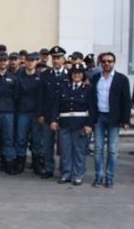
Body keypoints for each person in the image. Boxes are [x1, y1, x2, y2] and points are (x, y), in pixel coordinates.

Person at [89, 52, 131, 188]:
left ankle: (109, 177)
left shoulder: (122, 79)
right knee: (98, 148)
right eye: (104, 61)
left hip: (114, 117)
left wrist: (125, 120)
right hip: (99, 116)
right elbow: (91, 99)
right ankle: (98, 176)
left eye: (110, 61)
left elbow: (126, 101)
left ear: (114, 62)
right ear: (100, 63)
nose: (107, 63)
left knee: (112, 150)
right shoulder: (95, 78)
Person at [49, 64, 92, 186]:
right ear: (70, 74)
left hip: (80, 123)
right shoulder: (63, 88)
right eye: (74, 73)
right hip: (65, 123)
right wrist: (53, 120)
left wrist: (89, 124)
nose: (77, 75)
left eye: (79, 73)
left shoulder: (88, 89)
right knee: (65, 150)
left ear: (83, 75)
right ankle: (66, 174)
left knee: (79, 150)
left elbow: (92, 108)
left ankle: (78, 175)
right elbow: (56, 105)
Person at [37, 46, 69, 179]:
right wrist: (40, 114)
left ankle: (64, 169)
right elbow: (40, 97)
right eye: (54, 58)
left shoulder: (70, 75)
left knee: (63, 145)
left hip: (64, 115)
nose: (56, 61)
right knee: (47, 144)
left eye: (59, 58)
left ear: (63, 59)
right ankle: (49, 168)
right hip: (48, 114)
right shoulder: (45, 75)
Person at [14, 52, 43, 175]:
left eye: (32, 60)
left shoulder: (40, 77)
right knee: (21, 139)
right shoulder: (19, 77)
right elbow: (15, 95)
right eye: (28, 60)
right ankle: (20, 163)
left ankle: (36, 164)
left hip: (36, 113)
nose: (30, 62)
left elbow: (43, 96)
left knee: (36, 139)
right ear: (24, 62)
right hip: (22, 111)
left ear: (36, 62)